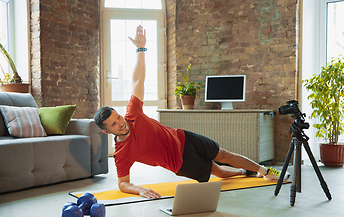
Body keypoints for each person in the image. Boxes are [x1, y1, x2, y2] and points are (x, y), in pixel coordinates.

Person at [94, 25, 290, 199]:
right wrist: (138, 189)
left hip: (184, 137)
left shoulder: (132, 114)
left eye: (117, 117)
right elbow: (122, 183)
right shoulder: (121, 154)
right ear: (106, 131)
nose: (120, 122)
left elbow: (138, 80)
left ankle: (265, 171)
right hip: (180, 163)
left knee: (223, 153)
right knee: (218, 171)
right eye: (113, 124)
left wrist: (141, 49)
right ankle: (243, 172)